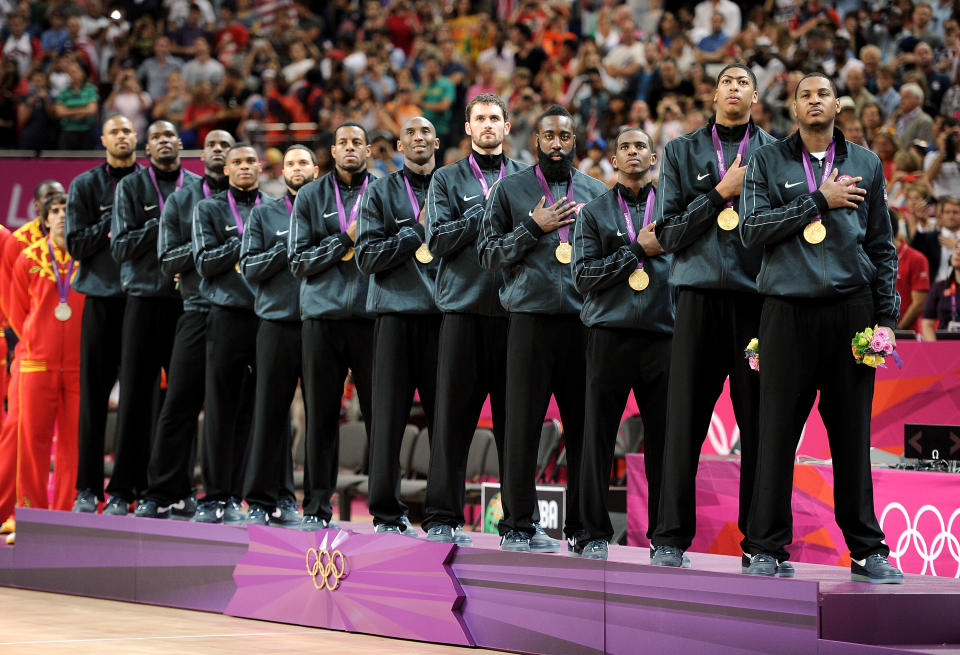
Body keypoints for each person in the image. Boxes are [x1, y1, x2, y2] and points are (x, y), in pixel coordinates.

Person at [740, 72, 903, 583]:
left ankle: (866, 548)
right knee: (775, 434)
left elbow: (881, 245)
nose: (814, 101)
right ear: (793, 106)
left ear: (837, 104)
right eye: (804, 95)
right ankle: (764, 545)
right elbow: (750, 229)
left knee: (851, 434)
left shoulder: (866, 163)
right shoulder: (766, 160)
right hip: (786, 312)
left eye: (822, 94)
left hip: (850, 313)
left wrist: (886, 317)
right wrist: (817, 200)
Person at [649, 64, 775, 569]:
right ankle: (670, 539)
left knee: (762, 428)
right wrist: (722, 192)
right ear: (714, 91)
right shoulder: (680, 151)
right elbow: (669, 233)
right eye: (727, 81)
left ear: (756, 95)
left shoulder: (778, 154)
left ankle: (762, 544)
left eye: (744, 82)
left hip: (756, 306)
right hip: (696, 302)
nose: (735, 88)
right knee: (683, 426)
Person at [478, 105, 608, 552]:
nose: (556, 144)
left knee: (585, 431)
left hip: (581, 324)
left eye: (565, 137)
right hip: (528, 321)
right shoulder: (510, 190)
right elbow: (487, 254)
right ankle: (517, 524)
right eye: (548, 136)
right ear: (536, 141)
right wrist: (532, 228)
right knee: (521, 428)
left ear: (576, 141)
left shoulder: (594, 191)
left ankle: (585, 529)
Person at [420, 94, 526, 544]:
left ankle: (518, 523)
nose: (487, 125)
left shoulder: (526, 178)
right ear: (467, 127)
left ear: (506, 126)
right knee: (452, 422)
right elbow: (438, 240)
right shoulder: (445, 179)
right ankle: (442, 517)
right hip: (461, 311)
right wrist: (486, 214)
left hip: (512, 315)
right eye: (479, 118)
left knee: (514, 423)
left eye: (494, 118)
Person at [571, 127, 674, 560]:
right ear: (613, 160)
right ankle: (593, 533)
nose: (633, 153)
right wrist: (635, 249)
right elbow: (583, 277)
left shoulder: (672, 209)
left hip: (662, 337)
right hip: (608, 336)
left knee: (666, 444)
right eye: (625, 148)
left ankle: (666, 537)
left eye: (641, 147)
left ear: (654, 158)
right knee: (597, 439)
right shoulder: (593, 212)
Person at [134, 129, 235, 519]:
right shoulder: (181, 199)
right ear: (202, 154)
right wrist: (209, 249)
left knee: (229, 409)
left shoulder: (251, 203)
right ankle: (161, 492)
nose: (218, 150)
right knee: (178, 404)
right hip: (194, 310)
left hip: (238, 316)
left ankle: (223, 495)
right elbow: (167, 261)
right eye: (212, 145)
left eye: (226, 146)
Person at [355, 116, 442, 536]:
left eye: (425, 131)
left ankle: (443, 516)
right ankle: (387, 515)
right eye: (410, 133)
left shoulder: (452, 187)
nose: (418, 138)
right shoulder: (380, 191)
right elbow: (366, 258)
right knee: (387, 419)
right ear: (399, 146)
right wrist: (415, 233)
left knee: (446, 422)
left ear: (437, 142)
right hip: (393, 315)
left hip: (444, 317)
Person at [288, 121, 375, 531]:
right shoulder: (309, 195)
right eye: (343, 142)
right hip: (321, 319)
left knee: (381, 416)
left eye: (357, 141)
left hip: (371, 318)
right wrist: (345, 239)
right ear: (333, 152)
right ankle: (317, 507)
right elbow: (298, 261)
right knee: (321, 416)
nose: (350, 148)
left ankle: (386, 511)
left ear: (369, 150)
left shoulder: (386, 192)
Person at [104, 120, 194, 515]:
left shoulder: (197, 187)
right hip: (142, 299)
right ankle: (124, 488)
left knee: (181, 400)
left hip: (184, 302)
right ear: (148, 145)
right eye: (155, 137)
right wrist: (164, 226)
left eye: (169, 136)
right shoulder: (130, 187)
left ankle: (178, 487)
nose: (163, 142)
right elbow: (120, 247)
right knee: (136, 397)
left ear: (179, 143)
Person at [239, 144, 318, 527]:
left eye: (303, 161)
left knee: (315, 417)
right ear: (282, 172)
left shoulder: (330, 209)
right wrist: (289, 247)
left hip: (319, 324)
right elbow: (249, 268)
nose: (297, 167)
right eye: (290, 163)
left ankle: (297, 500)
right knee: (270, 414)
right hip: (276, 324)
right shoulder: (265, 213)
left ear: (316, 170)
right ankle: (258, 499)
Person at [67, 115, 141, 513]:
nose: (122, 137)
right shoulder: (85, 185)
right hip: (99, 299)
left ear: (136, 138)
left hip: (141, 302)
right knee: (94, 398)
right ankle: (87, 488)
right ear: (104, 139)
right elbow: (76, 245)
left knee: (137, 399)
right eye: (115, 131)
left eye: (128, 131)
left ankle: (128, 488)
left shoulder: (150, 184)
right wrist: (113, 221)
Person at [191, 143, 267, 524]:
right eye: (236, 161)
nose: (243, 167)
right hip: (224, 316)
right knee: (219, 409)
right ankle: (213, 495)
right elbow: (204, 263)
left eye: (250, 161)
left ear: (260, 166)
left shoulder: (274, 206)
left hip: (266, 317)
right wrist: (247, 243)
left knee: (256, 412)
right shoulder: (209, 209)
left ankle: (241, 496)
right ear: (227, 168)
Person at [5, 193, 84, 520]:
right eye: (56, 211)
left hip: (80, 366)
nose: (63, 216)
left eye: (69, 210)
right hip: (36, 364)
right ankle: (31, 514)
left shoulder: (89, 258)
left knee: (74, 446)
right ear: (45, 219)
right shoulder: (28, 259)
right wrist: (37, 343)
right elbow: (15, 311)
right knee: (31, 443)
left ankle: (67, 516)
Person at [0, 180, 64, 536]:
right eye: (48, 204)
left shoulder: (7, 239)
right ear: (37, 208)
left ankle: (17, 509)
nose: (53, 210)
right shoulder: (20, 241)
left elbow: (12, 307)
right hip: (29, 350)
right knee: (14, 432)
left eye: (59, 204)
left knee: (17, 432)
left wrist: (25, 346)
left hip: (31, 352)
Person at [891, 209, 930, 333]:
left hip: (906, 336)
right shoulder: (868, 256)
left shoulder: (916, 259)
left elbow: (919, 303)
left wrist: (898, 331)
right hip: (872, 334)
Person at [921, 245, 960, 341]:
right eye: (956, 248)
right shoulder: (939, 287)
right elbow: (927, 324)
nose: (958, 253)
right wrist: (935, 349)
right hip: (944, 346)